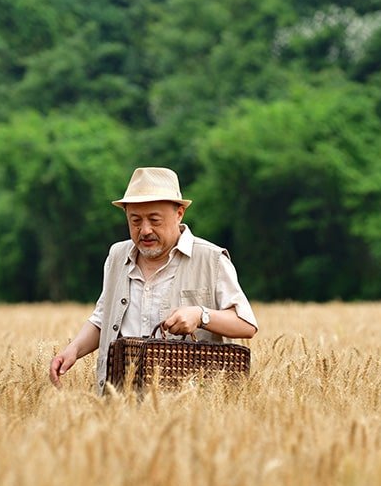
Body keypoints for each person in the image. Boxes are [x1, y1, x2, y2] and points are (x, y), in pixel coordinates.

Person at [49, 167, 258, 392]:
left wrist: (200, 315)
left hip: (188, 406)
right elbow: (104, 318)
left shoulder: (211, 259)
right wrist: (73, 350)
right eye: (135, 220)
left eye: (154, 220)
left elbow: (246, 325)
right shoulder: (117, 256)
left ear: (179, 214)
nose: (145, 230)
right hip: (120, 401)